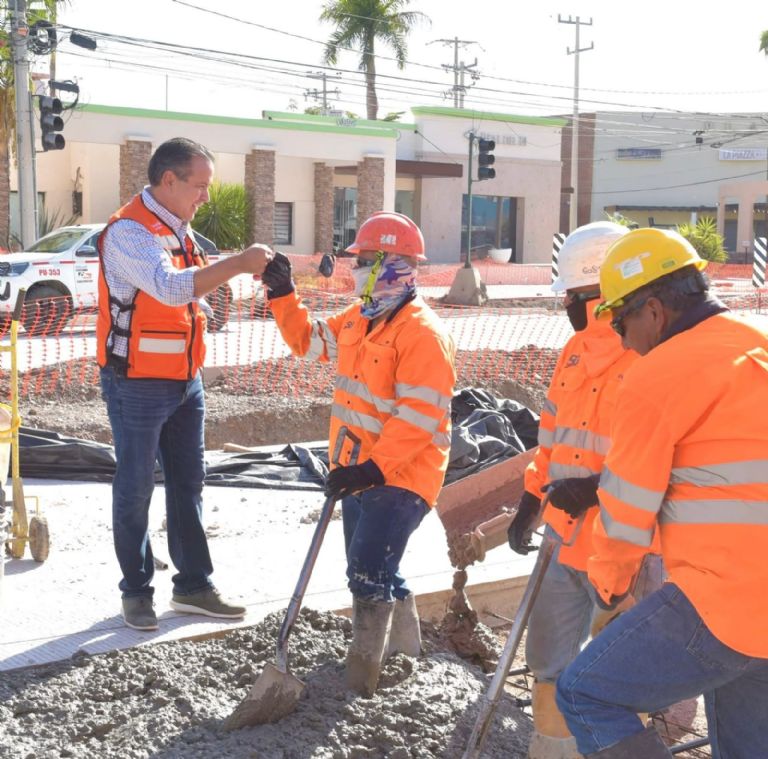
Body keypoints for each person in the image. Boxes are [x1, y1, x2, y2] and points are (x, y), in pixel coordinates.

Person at [555, 228, 768, 758]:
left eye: (621, 323)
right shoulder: (757, 342)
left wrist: (609, 586)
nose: (624, 341)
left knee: (584, 692)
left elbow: (628, 505)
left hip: (726, 596)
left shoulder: (658, 375)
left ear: (653, 310)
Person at [261, 211, 456, 697]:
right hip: (357, 470)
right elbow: (309, 342)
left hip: (403, 475)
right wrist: (283, 293)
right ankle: (406, 652)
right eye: (358, 260)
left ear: (397, 265)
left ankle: (362, 676)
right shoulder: (360, 318)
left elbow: (418, 418)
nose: (356, 269)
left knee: (367, 570)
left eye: (367, 261)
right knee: (372, 564)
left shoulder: (423, 334)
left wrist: (372, 468)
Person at [97, 137, 273, 631]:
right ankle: (136, 592)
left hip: (184, 380)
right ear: (168, 180)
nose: (206, 197)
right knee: (135, 488)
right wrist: (237, 264)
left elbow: (182, 292)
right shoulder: (129, 231)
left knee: (188, 483)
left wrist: (206, 306)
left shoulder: (179, 229)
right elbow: (171, 287)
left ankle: (194, 586)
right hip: (136, 383)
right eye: (199, 186)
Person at [506, 221, 647, 759]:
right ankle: (552, 750)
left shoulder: (648, 356)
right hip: (563, 538)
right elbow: (551, 437)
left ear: (601, 294)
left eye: (572, 294)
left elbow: (659, 459)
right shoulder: (573, 351)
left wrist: (595, 489)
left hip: (623, 545)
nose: (565, 303)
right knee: (548, 664)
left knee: (619, 676)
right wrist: (530, 498)